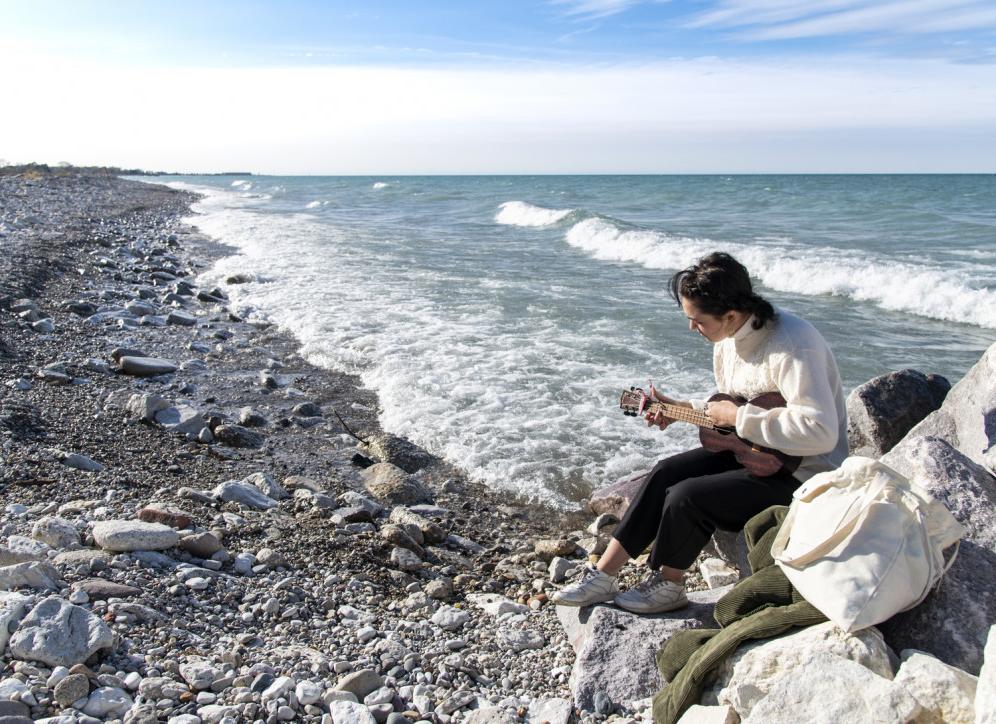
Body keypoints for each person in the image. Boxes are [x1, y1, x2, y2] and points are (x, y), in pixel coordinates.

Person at [552, 251, 848, 613]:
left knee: (687, 495)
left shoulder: (793, 345)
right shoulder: (728, 339)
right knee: (665, 472)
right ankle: (603, 574)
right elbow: (736, 409)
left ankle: (669, 585)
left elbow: (820, 432)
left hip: (802, 471)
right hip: (757, 453)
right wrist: (680, 410)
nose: (692, 327)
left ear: (732, 315)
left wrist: (739, 417)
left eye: (698, 320)